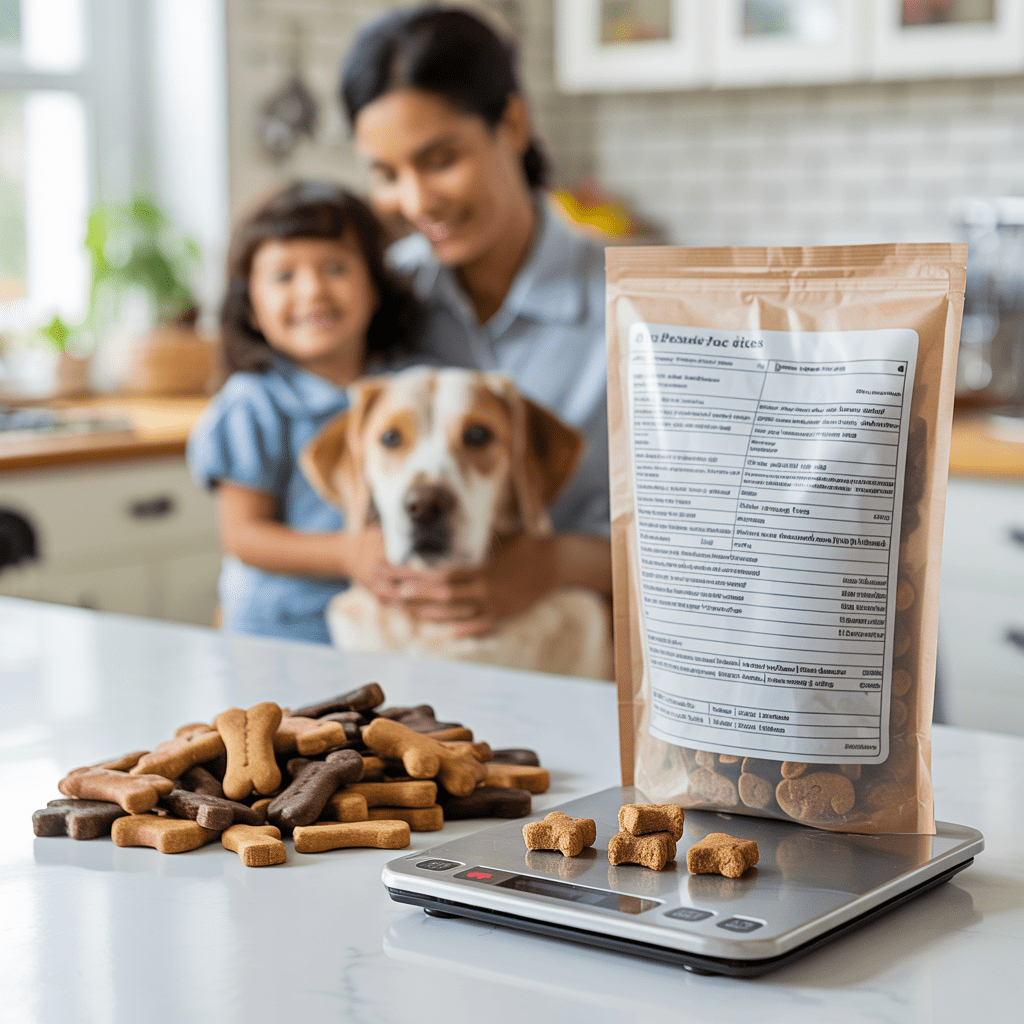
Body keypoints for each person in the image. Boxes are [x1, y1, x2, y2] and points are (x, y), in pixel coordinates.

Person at [339, 4, 612, 639]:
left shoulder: (632, 309)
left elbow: (715, 539)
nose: (415, 202)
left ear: (512, 122)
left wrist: (554, 565)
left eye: (439, 160)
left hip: (586, 656)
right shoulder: (382, 299)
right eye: (386, 174)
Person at [186, 181, 419, 643]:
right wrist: (346, 554)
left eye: (335, 268)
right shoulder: (254, 402)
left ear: (375, 286)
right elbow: (243, 536)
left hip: (377, 630)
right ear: (252, 309)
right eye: (283, 277)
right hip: (279, 635)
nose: (312, 290)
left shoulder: (405, 391)